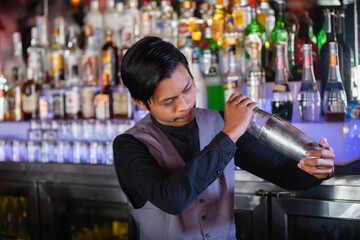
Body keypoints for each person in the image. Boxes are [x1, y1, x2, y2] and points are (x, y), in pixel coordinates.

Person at [113, 36, 335, 240]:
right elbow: (173, 199)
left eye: (188, 88)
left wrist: (318, 168)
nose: (185, 104)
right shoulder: (129, 145)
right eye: (168, 101)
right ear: (141, 103)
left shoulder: (220, 122)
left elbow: (282, 172)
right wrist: (230, 134)